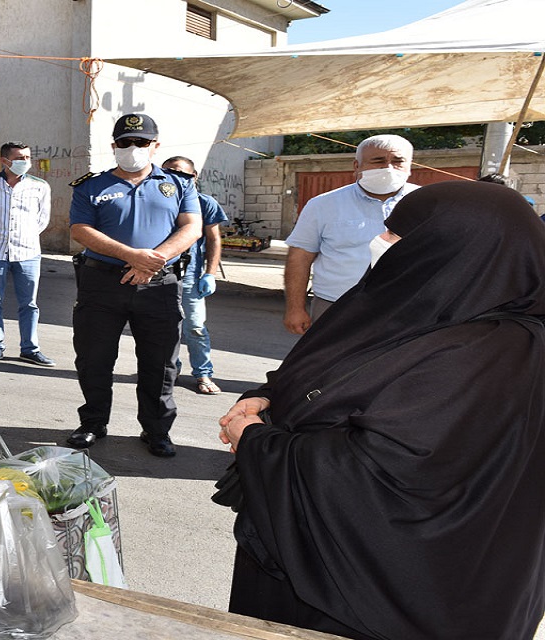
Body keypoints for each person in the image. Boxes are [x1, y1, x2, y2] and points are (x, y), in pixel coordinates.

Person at [217, 181, 545, 640]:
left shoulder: (489, 353)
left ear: (450, 247)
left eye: (399, 235)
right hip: (324, 569)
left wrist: (257, 442)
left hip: (371, 596)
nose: (383, 243)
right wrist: (269, 395)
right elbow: (334, 369)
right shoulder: (417, 308)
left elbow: (384, 476)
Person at [64, 113, 201, 457]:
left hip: (159, 284)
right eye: (125, 142)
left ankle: (156, 430)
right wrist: (132, 256)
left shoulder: (179, 184)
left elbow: (191, 228)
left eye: (141, 142)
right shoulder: (91, 186)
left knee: (160, 362)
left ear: (155, 146)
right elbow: (80, 231)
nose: (133, 149)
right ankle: (93, 422)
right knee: (94, 358)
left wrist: (152, 260)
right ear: (114, 146)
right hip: (101, 283)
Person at [283, 134, 418, 335]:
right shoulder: (323, 205)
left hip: (405, 308)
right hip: (335, 306)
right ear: (357, 166)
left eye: (398, 162)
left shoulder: (426, 203)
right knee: (330, 363)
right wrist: (295, 308)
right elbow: (299, 258)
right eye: (378, 161)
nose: (388, 168)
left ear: (409, 167)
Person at [0, 141, 53, 367]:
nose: (26, 162)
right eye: (20, 158)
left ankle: (30, 348)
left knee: (29, 304)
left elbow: (42, 219)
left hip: (28, 252)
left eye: (27, 157)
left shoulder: (40, 186)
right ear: (5, 161)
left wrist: (25, 237)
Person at [161, 156, 228, 395]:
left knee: (196, 327)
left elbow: (213, 239)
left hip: (189, 277)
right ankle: (170, 369)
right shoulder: (157, 199)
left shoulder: (204, 203)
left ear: (194, 177)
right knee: (166, 328)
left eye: (182, 173)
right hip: (161, 275)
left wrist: (210, 273)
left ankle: (203, 373)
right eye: (169, 171)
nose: (175, 177)